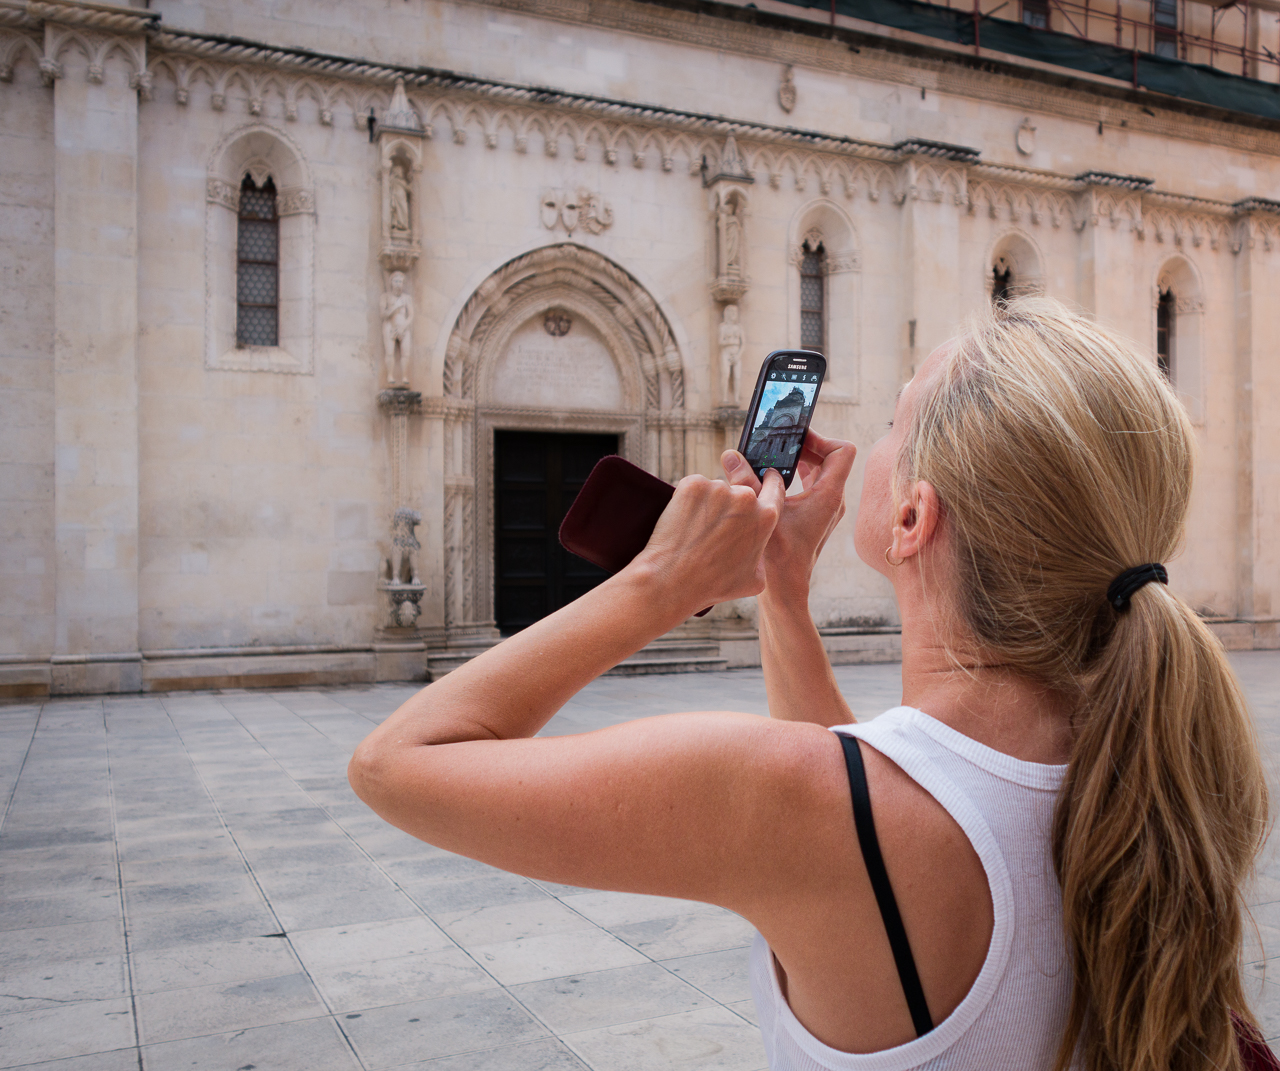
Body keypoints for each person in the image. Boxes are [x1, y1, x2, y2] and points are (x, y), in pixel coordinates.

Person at [350, 298, 1269, 1071]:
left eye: (893, 424)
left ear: (912, 516)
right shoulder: (1145, 773)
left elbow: (396, 763)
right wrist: (781, 590)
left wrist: (659, 582)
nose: (865, 445)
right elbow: (859, 796)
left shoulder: (784, 800)